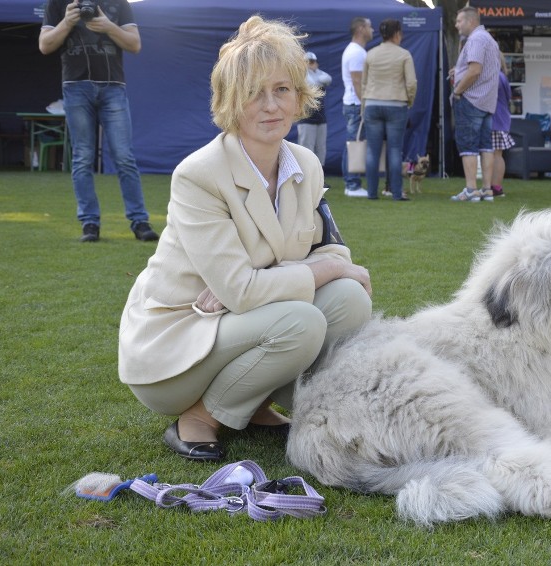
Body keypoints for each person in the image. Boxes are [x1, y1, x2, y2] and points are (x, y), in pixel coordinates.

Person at [117, 15, 373, 462]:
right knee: (302, 318)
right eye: (254, 92)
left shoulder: (306, 164)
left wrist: (293, 273)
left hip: (245, 319)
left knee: (351, 298)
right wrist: (322, 270)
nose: (270, 105)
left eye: (282, 89)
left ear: (299, 97)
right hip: (176, 343)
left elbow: (329, 247)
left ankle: (253, 406)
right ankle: (201, 414)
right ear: (231, 102)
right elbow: (252, 286)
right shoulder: (199, 174)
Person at [39, 0, 158, 243]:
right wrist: (67, 21)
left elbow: (135, 44)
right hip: (75, 87)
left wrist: (108, 26)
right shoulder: (57, 4)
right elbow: (45, 45)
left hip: (113, 87)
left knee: (124, 157)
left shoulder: (119, 3)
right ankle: (89, 223)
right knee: (82, 157)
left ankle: (140, 222)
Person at [449, 6, 501, 203]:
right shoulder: (488, 39)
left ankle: (471, 190)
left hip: (471, 100)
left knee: (468, 145)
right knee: (485, 146)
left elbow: (475, 70)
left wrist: (457, 90)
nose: (456, 25)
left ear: (471, 21)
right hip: (486, 102)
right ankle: (486, 190)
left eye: (459, 21)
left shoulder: (477, 39)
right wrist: (459, 70)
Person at [361, 19, 417, 201]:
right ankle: (395, 192)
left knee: (372, 151)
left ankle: (371, 193)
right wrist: (409, 101)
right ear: (397, 33)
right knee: (394, 150)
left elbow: (364, 83)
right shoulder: (404, 54)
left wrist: (364, 106)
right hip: (396, 104)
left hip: (372, 103)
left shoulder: (370, 54)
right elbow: (411, 83)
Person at [341, 17, 373, 198]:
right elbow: (357, 82)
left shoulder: (357, 51)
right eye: (369, 27)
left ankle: (351, 183)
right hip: (356, 105)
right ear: (361, 29)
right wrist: (364, 105)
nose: (373, 30)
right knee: (354, 145)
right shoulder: (356, 53)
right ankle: (352, 185)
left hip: (353, 104)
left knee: (352, 144)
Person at [297, 51, 332, 170]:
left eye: (313, 62)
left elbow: (328, 78)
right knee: (306, 149)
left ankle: (320, 177)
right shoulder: (301, 76)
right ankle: (305, 176)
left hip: (321, 118)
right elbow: (309, 83)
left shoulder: (317, 73)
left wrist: (315, 72)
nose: (312, 64)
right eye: (309, 62)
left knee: (321, 148)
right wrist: (312, 73)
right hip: (306, 118)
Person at [489, 54, 515, 198]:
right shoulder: (502, 77)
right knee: (497, 154)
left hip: (495, 120)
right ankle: (496, 186)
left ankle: (495, 187)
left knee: (495, 155)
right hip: (502, 119)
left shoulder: (495, 77)